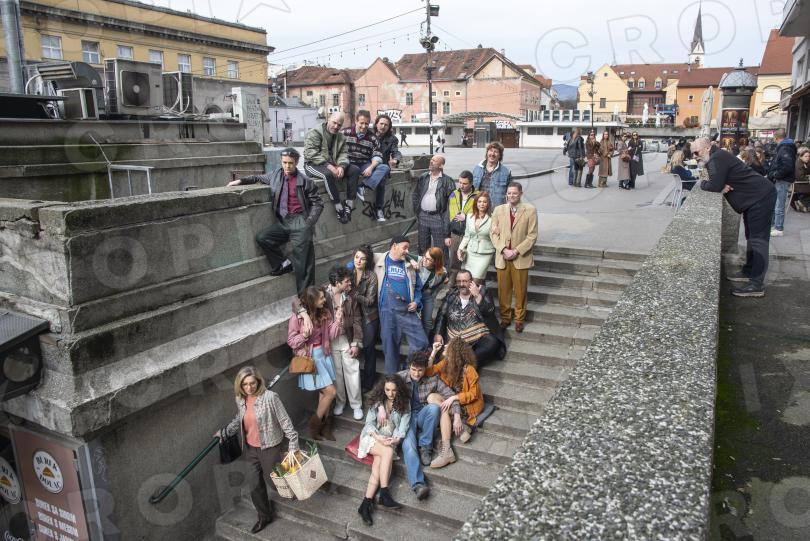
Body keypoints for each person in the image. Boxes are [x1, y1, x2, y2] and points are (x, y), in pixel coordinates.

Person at [228, 148, 324, 293]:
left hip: (300, 221)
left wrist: (308, 223)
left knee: (303, 263)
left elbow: (318, 204)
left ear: (296, 162)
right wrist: (240, 181)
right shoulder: (275, 175)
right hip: (284, 221)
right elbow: (257, 178)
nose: (287, 166)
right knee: (263, 238)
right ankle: (283, 264)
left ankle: (306, 299)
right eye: (284, 162)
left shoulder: (306, 181)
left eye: (290, 163)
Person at [219, 366, 299, 534]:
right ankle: (264, 516)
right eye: (245, 384)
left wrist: (293, 444)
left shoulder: (270, 397)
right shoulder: (241, 399)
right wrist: (225, 432)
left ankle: (292, 487)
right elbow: (239, 418)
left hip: (270, 447)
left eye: (252, 383)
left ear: (258, 382)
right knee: (254, 483)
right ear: (240, 385)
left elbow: (285, 421)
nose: (249, 387)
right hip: (251, 449)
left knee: (273, 482)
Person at [693, 137, 776, 297]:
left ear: (707, 148)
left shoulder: (717, 158)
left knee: (759, 241)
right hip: (754, 198)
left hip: (760, 197)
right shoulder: (715, 157)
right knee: (751, 237)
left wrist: (706, 184)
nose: (694, 156)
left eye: (696, 152)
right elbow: (712, 180)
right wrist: (714, 181)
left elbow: (712, 185)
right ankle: (748, 271)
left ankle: (756, 285)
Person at [297, 266, 364, 420]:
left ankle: (356, 405)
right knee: (337, 374)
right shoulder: (323, 294)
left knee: (353, 371)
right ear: (337, 282)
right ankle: (340, 402)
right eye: (347, 281)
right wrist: (304, 315)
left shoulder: (351, 296)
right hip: (328, 341)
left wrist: (356, 342)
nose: (350, 284)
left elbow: (357, 320)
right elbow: (297, 302)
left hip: (347, 338)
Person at [397, 352, 461, 500]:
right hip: (405, 418)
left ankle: (426, 446)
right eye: (413, 369)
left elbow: (450, 396)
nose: (416, 373)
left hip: (422, 415)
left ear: (425, 368)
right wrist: (381, 408)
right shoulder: (400, 377)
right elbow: (380, 393)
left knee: (433, 408)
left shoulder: (433, 379)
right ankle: (418, 485)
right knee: (408, 447)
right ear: (409, 367)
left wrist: (457, 415)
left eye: (420, 370)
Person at [287, 286, 340, 439]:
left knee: (324, 394)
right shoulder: (297, 318)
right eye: (321, 298)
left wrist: (338, 321)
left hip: (324, 355)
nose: (324, 300)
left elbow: (331, 335)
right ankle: (314, 423)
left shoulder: (324, 312)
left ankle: (324, 427)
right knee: (331, 392)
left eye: (324, 297)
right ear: (312, 300)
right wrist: (304, 336)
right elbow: (291, 341)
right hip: (311, 359)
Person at [356, 374, 410, 526]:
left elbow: (403, 427)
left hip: (389, 441)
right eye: (387, 390)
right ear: (383, 388)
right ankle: (384, 493)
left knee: (377, 467)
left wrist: (396, 439)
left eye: (394, 390)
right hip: (372, 437)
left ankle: (365, 504)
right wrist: (378, 437)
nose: (390, 393)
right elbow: (368, 425)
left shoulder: (405, 404)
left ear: (399, 389)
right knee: (387, 452)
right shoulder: (378, 401)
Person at [374, 236, 429, 374]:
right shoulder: (379, 258)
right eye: (405, 247)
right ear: (394, 246)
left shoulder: (409, 265)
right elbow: (360, 257)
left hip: (407, 311)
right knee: (390, 348)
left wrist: (416, 302)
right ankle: (392, 380)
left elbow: (418, 288)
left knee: (421, 343)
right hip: (387, 311)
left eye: (408, 248)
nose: (407, 251)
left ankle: (406, 370)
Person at [490, 182, 538, 332]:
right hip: (502, 257)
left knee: (520, 290)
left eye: (515, 193)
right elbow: (493, 233)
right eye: (509, 193)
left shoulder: (530, 210)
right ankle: (505, 317)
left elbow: (532, 236)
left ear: (521, 194)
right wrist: (503, 249)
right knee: (503, 290)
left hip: (520, 257)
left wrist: (516, 251)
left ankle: (519, 319)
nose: (511, 196)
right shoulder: (498, 210)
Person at [432, 269, 506, 367]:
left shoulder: (482, 291)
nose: (461, 284)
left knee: (492, 343)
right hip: (453, 335)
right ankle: (461, 363)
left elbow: (489, 311)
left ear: (471, 282)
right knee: (437, 343)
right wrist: (438, 333)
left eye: (465, 281)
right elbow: (442, 314)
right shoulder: (451, 293)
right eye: (459, 281)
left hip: (477, 334)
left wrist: (477, 296)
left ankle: (466, 363)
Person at [427, 337, 484, 449]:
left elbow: (473, 394)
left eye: (448, 345)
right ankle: (460, 425)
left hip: (468, 405)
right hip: (452, 401)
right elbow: (429, 372)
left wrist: (454, 398)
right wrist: (433, 352)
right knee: (431, 397)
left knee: (442, 409)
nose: (444, 346)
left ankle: (453, 429)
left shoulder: (469, 369)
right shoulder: (446, 363)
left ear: (454, 352)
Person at [303, 112, 355, 224]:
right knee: (328, 174)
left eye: (339, 125)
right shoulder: (315, 132)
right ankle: (338, 207)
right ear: (328, 119)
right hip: (313, 164)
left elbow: (344, 153)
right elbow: (311, 153)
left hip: (333, 164)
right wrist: (329, 166)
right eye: (334, 122)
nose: (336, 126)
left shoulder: (341, 137)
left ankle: (349, 203)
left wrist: (341, 166)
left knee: (355, 170)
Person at [341, 111, 388, 223]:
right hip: (348, 163)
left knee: (385, 168)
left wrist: (371, 167)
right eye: (361, 123)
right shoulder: (345, 133)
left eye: (366, 123)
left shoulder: (372, 137)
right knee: (358, 170)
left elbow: (377, 155)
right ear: (356, 121)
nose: (364, 126)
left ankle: (363, 186)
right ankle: (378, 208)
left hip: (364, 163)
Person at [348, 245, 380, 392]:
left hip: (368, 317)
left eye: (362, 259)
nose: (358, 261)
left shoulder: (371, 276)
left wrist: (353, 294)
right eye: (356, 257)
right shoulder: (349, 273)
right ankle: (354, 384)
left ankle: (368, 383)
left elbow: (369, 301)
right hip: (353, 316)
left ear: (367, 261)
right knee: (352, 349)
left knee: (368, 349)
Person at [412, 155, 455, 262]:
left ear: (441, 165)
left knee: (440, 250)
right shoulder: (423, 177)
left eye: (434, 161)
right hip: (423, 216)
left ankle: (442, 271)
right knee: (423, 248)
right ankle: (423, 270)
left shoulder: (447, 181)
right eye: (431, 160)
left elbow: (451, 204)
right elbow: (415, 195)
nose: (431, 162)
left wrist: (447, 225)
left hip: (438, 217)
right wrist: (418, 212)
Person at [368, 114, 403, 222]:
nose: (383, 126)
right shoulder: (368, 134)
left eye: (386, 125)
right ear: (376, 124)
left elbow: (396, 152)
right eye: (381, 124)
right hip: (367, 164)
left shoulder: (392, 139)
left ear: (389, 127)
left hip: (382, 167)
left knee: (382, 179)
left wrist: (395, 160)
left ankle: (379, 209)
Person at [447, 171, 480, 282]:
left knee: (470, 263)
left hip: (470, 235)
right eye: (460, 182)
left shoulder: (478, 196)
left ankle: (470, 286)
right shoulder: (453, 194)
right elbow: (447, 215)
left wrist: (466, 217)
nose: (461, 185)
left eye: (464, 183)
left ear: (471, 183)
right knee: (454, 263)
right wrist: (447, 235)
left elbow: (483, 215)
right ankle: (452, 284)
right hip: (455, 234)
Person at [457, 192, 495, 283]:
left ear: (488, 204)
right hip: (470, 252)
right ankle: (480, 292)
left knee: (476, 279)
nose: (482, 204)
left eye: (484, 202)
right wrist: (460, 248)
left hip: (485, 253)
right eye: (479, 201)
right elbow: (467, 236)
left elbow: (496, 238)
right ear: (476, 203)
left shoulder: (493, 218)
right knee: (468, 280)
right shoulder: (469, 217)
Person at [767, 128, 798, 237]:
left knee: (779, 205)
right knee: (777, 203)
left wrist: (776, 175)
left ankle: (778, 228)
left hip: (782, 180)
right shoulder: (787, 147)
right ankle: (775, 226)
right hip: (782, 179)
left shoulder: (785, 148)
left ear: (776, 138)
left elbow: (787, 166)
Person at [416, 247, 448, 339]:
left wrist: (432, 290)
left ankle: (425, 342)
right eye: (424, 257)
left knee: (428, 321)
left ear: (435, 262)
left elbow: (442, 284)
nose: (425, 260)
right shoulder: (419, 260)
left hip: (427, 295)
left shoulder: (442, 272)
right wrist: (412, 261)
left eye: (429, 259)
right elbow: (405, 255)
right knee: (414, 319)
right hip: (414, 294)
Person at [472, 141, 513, 206]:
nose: (492, 154)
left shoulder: (506, 172)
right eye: (491, 150)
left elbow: (511, 193)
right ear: (487, 152)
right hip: (480, 208)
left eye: (496, 152)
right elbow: (471, 190)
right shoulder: (477, 169)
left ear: (500, 155)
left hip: (497, 208)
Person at [794, 147, 810, 211]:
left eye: (809, 156)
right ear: (801, 157)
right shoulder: (799, 164)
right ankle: (801, 203)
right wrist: (808, 178)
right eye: (806, 156)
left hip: (804, 183)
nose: (808, 158)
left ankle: (802, 204)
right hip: (800, 184)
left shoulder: (805, 163)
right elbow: (800, 177)